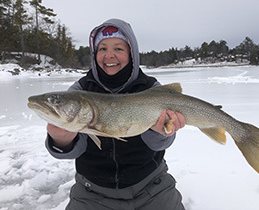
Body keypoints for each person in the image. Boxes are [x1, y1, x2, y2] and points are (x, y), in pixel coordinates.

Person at [46, 18, 186, 210]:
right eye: (102, 49)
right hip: (91, 193)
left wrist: (160, 131)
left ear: (132, 53)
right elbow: (75, 150)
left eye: (118, 49)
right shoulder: (80, 91)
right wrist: (61, 141)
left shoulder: (150, 88)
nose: (109, 55)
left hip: (152, 188)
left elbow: (162, 143)